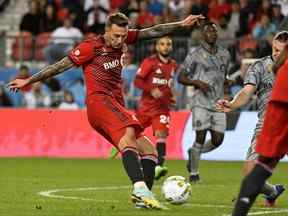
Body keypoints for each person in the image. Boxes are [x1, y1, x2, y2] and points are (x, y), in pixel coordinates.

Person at [7, 12, 204, 209]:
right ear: (107, 31)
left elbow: (155, 30)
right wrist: (29, 80)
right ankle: (140, 189)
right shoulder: (90, 47)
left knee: (149, 150)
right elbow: (59, 66)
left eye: (123, 36)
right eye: (116, 36)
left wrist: (182, 23)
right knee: (128, 134)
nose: (120, 40)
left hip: (114, 105)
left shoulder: (125, 37)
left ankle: (143, 199)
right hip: (98, 103)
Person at [216, 31, 288, 207]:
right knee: (250, 172)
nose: (277, 54)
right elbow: (247, 91)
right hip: (269, 124)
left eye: (282, 50)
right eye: (275, 49)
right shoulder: (260, 67)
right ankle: (272, 192)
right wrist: (232, 104)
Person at [178, 21, 231, 183]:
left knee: (218, 140)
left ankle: (193, 153)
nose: (213, 34)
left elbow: (223, 76)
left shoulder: (225, 54)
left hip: (218, 103)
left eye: (215, 32)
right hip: (200, 102)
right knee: (200, 137)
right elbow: (181, 77)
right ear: (203, 35)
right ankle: (194, 174)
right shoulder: (194, 55)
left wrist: (227, 84)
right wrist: (198, 83)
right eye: (209, 32)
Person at [134, 36, 178, 180]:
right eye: (162, 44)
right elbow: (137, 81)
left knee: (161, 135)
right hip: (145, 107)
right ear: (157, 47)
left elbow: (167, 86)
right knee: (133, 134)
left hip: (162, 108)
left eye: (168, 44)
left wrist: (171, 98)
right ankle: (124, 149)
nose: (165, 47)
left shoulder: (173, 65)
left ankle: (158, 166)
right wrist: (151, 90)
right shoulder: (149, 62)